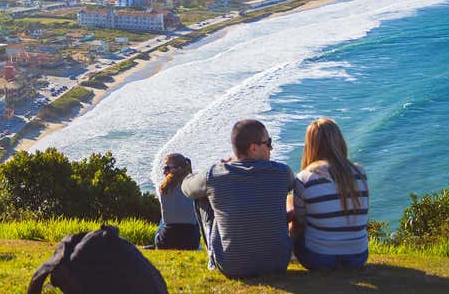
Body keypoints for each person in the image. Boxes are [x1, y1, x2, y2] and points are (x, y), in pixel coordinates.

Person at [182, 119, 294, 278]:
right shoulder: (283, 173)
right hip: (278, 263)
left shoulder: (215, 175)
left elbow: (186, 188)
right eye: (268, 143)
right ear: (254, 148)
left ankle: (213, 258)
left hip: (232, 266)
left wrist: (229, 166)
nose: (271, 148)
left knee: (202, 195)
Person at [291, 117, 369, 270]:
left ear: (311, 145)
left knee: (290, 201)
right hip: (358, 257)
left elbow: (301, 219)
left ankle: (288, 256)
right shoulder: (360, 172)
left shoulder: (305, 178)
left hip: (318, 258)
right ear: (339, 141)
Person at [154, 153, 199, 250]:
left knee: (163, 221)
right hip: (191, 241)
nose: (164, 172)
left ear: (179, 168)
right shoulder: (194, 184)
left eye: (167, 168)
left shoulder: (163, 187)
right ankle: (199, 246)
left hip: (165, 241)